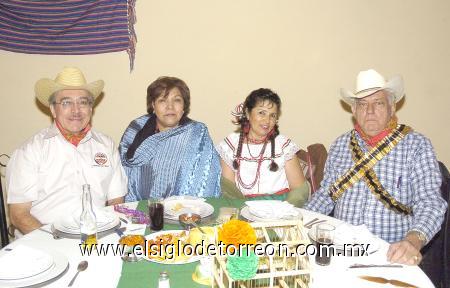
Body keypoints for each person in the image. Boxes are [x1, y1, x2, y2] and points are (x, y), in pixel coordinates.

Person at [304, 69, 447, 265]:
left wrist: (412, 241)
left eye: (378, 103)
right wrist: (297, 221)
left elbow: (430, 203)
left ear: (392, 107)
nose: (369, 111)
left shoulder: (416, 146)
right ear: (353, 110)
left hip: (391, 256)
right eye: (362, 104)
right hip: (341, 252)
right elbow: (326, 196)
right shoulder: (340, 145)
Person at [6, 67, 128, 235]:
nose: (76, 110)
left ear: (91, 108)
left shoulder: (106, 145)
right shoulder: (29, 151)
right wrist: (53, 241)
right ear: (52, 109)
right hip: (43, 242)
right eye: (66, 103)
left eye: (83, 102)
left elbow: (116, 202)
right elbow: (18, 215)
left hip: (96, 238)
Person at [119, 76, 221, 201]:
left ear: (184, 106)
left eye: (177, 100)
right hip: (139, 210)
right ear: (153, 106)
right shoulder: (136, 129)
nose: (170, 107)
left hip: (186, 213)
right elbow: (121, 174)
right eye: (162, 100)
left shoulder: (197, 134)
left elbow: (205, 179)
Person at [216, 88, 309, 206]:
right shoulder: (230, 145)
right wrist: (247, 211)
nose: (267, 120)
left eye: (272, 115)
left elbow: (299, 190)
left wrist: (283, 212)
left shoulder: (283, 146)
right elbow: (229, 191)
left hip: (280, 208)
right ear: (248, 113)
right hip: (242, 207)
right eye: (261, 113)